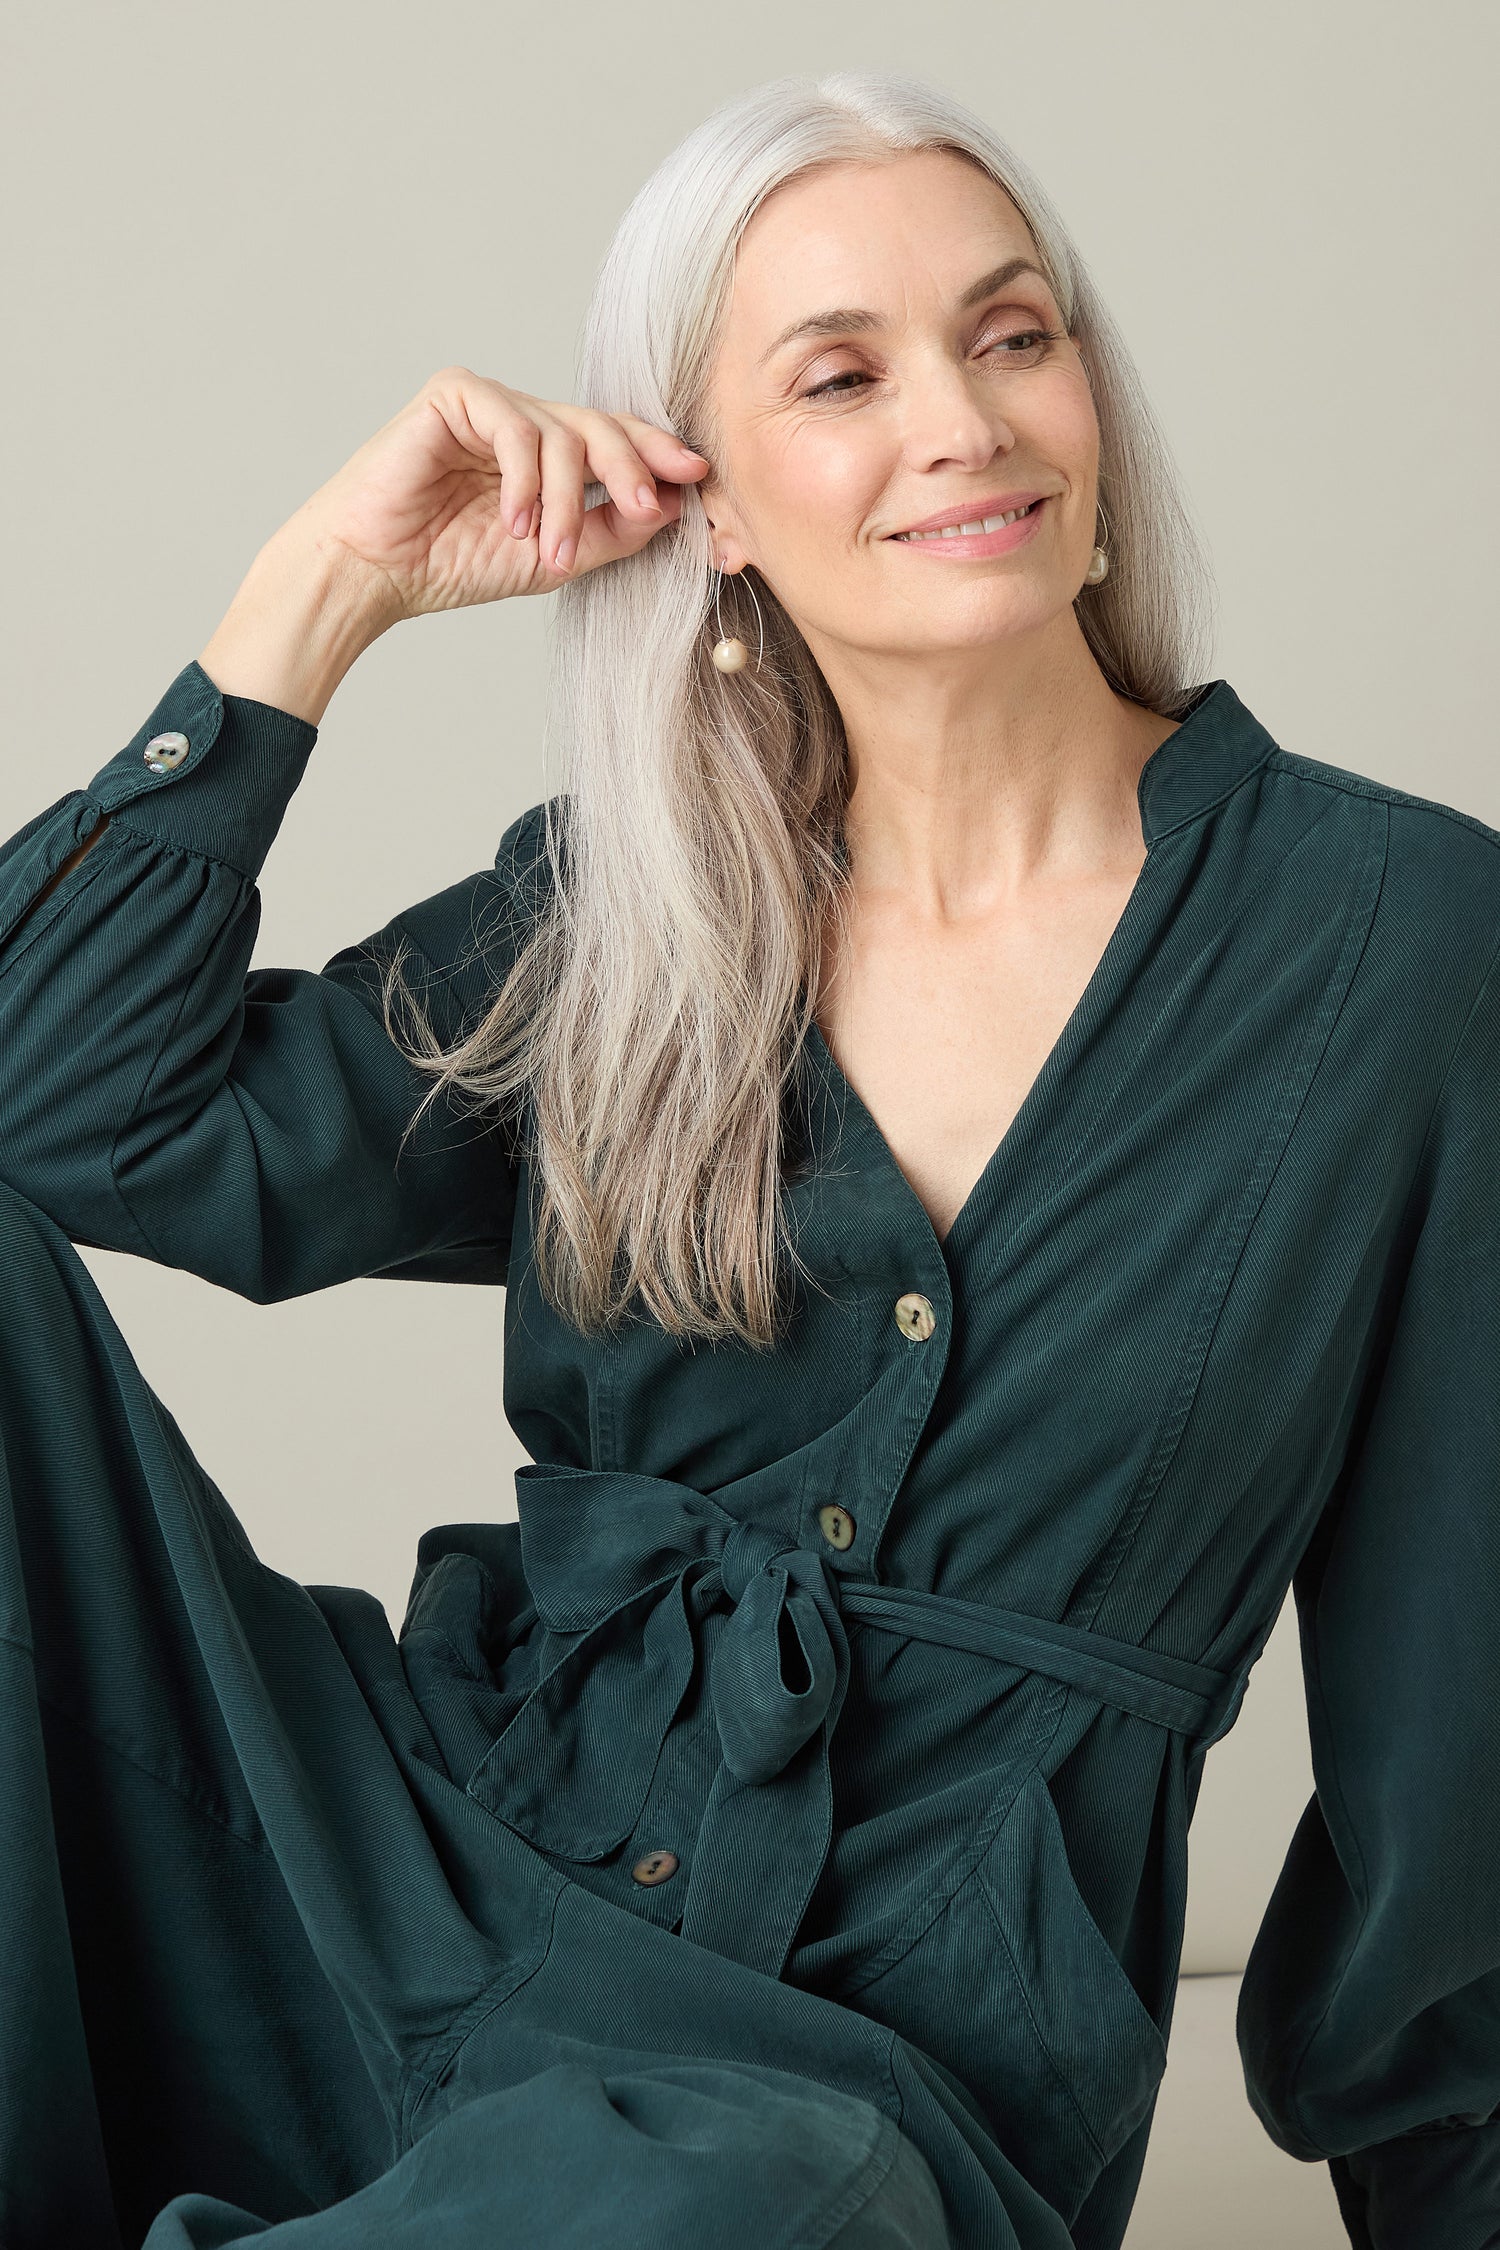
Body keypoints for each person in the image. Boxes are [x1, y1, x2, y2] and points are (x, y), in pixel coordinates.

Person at [2, 65, 1497, 2250]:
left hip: (857, 2101)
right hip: (404, 1876)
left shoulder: (1395, 955)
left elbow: (1462, 1727)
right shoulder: (630, 920)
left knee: (738, 2205)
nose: (967, 423)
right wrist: (322, 587)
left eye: (1013, 335)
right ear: (709, 495)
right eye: (843, 373)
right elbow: (64, 1101)